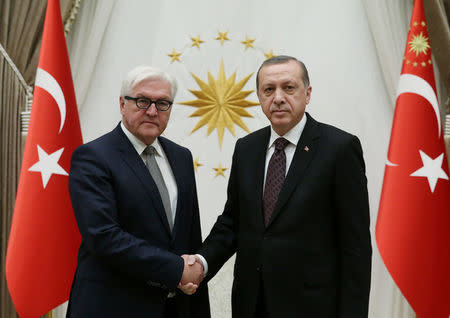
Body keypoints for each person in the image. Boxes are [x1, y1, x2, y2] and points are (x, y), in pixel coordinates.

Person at [193, 56, 372, 317]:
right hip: (252, 305)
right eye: (269, 89)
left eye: (288, 88)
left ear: (307, 93)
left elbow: (355, 247)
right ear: (259, 96)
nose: (277, 98)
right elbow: (233, 222)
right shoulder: (246, 149)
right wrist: (200, 264)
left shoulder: (340, 149)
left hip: (313, 308)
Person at [66, 66, 210, 318]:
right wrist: (176, 268)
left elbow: (189, 234)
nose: (153, 111)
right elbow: (103, 237)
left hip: (174, 308)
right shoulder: (92, 157)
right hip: (113, 307)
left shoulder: (181, 157)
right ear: (122, 104)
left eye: (163, 103)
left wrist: (194, 272)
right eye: (143, 101)